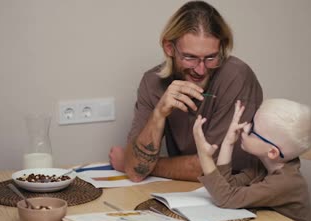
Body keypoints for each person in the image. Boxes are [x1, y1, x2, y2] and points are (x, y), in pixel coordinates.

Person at [109, 1, 263, 182]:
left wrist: (145, 165)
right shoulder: (152, 82)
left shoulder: (236, 76)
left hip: (243, 195)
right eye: (190, 57)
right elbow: (136, 172)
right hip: (187, 195)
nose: (201, 70)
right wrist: (159, 114)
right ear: (169, 48)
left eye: (211, 57)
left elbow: (214, 170)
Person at [192, 99, 311, 221]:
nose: (245, 127)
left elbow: (226, 199)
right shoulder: (264, 166)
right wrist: (228, 143)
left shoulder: (285, 182)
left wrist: (204, 156)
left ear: (272, 152)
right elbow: (228, 186)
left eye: (252, 129)